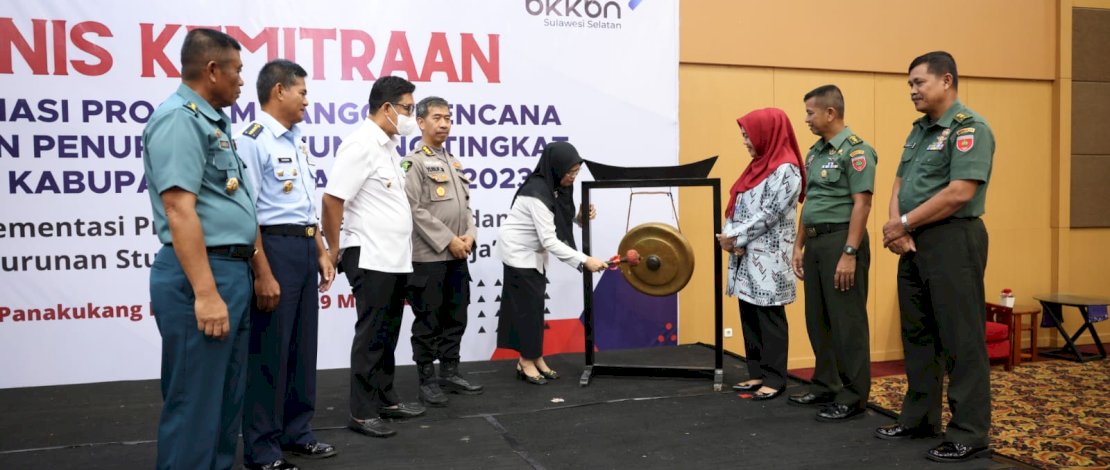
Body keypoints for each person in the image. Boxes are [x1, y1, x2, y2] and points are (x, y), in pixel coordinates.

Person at [141, 28, 254, 469]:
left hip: (231, 272)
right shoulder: (179, 119)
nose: (242, 81)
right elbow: (178, 210)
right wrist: (206, 293)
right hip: (201, 277)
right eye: (237, 71)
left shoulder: (212, 121)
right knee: (194, 407)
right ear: (212, 70)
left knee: (225, 404)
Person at [875, 51, 995, 463]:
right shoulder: (919, 131)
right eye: (909, 84)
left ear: (946, 81)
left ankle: (969, 432)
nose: (912, 91)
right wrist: (897, 226)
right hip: (913, 241)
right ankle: (920, 419)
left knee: (961, 339)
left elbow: (960, 192)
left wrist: (904, 222)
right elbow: (899, 181)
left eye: (918, 83)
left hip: (953, 239)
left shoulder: (970, 128)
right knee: (919, 336)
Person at [237, 59, 337, 470]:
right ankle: (262, 449)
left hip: (301, 248)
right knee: (269, 352)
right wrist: (262, 271)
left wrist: (320, 252)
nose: (307, 101)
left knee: (301, 347)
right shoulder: (252, 139)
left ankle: (298, 432)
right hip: (271, 250)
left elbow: (303, 207)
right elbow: (248, 213)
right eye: (302, 92)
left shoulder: (296, 139)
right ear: (279, 90)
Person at [321, 75, 424, 439]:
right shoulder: (360, 144)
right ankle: (363, 412)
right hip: (369, 254)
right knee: (371, 335)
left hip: (394, 257)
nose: (413, 116)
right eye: (409, 109)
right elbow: (333, 200)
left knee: (388, 331)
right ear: (387, 108)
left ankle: (386, 399)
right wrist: (333, 250)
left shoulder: (388, 147)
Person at [788, 85, 876, 422]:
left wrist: (850, 252)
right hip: (816, 241)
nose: (806, 118)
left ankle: (853, 396)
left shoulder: (857, 152)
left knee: (847, 322)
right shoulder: (814, 153)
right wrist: (799, 244)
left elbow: (862, 203)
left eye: (810, 112)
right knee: (818, 318)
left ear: (830, 113)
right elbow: (810, 202)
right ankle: (826, 384)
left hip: (842, 240)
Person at [496, 142, 607, 385]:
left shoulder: (557, 186)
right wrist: (584, 261)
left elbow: (560, 218)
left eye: (577, 172)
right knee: (526, 310)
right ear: (556, 168)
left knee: (535, 309)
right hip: (519, 254)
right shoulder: (536, 192)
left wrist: (579, 218)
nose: (573, 177)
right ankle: (525, 362)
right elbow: (550, 239)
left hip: (534, 254)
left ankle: (536, 357)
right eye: (570, 172)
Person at [717, 108, 805, 401]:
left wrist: (734, 237)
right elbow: (737, 205)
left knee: (770, 316)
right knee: (749, 313)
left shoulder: (787, 170)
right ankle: (755, 371)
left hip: (770, 257)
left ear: (767, 134)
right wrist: (728, 235)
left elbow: (769, 214)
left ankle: (775, 377)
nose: (745, 141)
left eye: (748, 135)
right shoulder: (756, 167)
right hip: (745, 254)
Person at [401, 96, 483, 406]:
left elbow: (467, 208)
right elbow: (413, 208)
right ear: (421, 122)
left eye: (448, 117)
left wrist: (469, 236)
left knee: (456, 314)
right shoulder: (414, 162)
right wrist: (448, 239)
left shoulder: (454, 162)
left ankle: (450, 371)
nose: (445, 123)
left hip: (458, 255)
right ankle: (426, 379)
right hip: (429, 256)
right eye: (437, 117)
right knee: (429, 320)